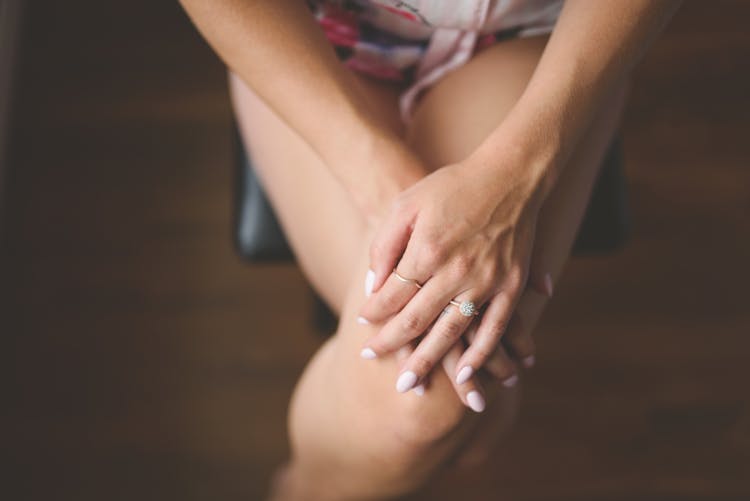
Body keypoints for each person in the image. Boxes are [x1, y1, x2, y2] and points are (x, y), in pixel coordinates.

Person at [179, 1, 683, 499]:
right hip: (315, 41)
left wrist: (516, 179)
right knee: (440, 403)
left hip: (536, 42)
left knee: (452, 399)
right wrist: (389, 189)